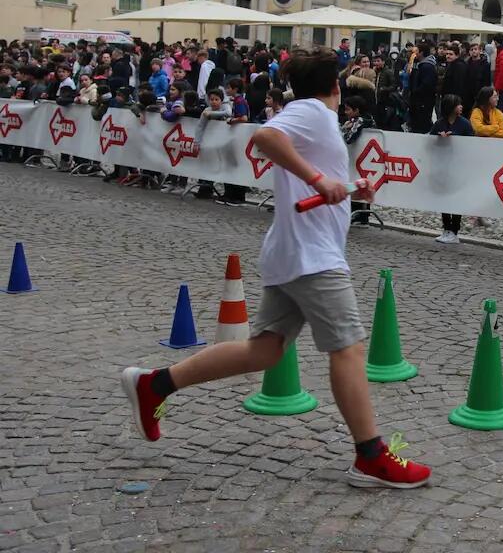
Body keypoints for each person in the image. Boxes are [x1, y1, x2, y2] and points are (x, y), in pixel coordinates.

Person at [120, 47, 431, 489]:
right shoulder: (314, 113)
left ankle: (156, 385)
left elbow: (304, 171)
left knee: (264, 350)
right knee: (349, 349)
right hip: (313, 257)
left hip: (293, 251)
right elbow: (264, 139)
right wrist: (319, 179)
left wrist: (345, 187)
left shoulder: (308, 115)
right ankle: (371, 456)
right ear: (336, 88)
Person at [430, 94, 474, 243]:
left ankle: (455, 230)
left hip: (459, 166)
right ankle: (446, 228)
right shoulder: (439, 123)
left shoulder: (465, 124)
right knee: (444, 197)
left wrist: (454, 137)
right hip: (443, 166)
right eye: (458, 104)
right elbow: (429, 140)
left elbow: (472, 143)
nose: (461, 107)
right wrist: (438, 136)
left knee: (456, 198)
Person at [340, 95, 375, 224]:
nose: (345, 112)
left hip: (360, 158)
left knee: (357, 183)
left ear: (357, 110)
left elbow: (349, 138)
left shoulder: (360, 121)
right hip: (358, 159)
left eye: (348, 109)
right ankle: (358, 212)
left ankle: (360, 213)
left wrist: (345, 129)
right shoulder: (359, 119)